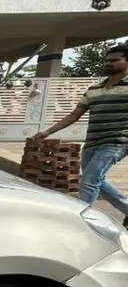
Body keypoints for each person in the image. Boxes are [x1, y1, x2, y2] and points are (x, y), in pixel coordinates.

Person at [33, 44, 128, 220]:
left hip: (117, 142)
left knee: (90, 181)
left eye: (115, 60)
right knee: (94, 181)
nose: (109, 63)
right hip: (92, 142)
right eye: (107, 60)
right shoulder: (94, 89)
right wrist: (48, 132)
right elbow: (74, 115)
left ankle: (82, 219)